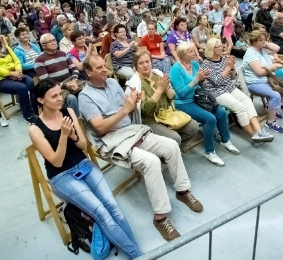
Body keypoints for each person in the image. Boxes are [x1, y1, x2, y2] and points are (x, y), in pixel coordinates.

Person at [79, 54, 203, 241]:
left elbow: (128, 105)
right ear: (88, 72)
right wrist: (125, 110)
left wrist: (135, 100)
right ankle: (160, 218)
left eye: (105, 66)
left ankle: (182, 191)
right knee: (151, 161)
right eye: (99, 68)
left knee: (170, 145)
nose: (105, 69)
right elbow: (101, 127)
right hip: (111, 140)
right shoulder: (85, 97)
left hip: (131, 130)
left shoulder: (112, 84)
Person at [28, 79, 142, 259]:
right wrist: (64, 136)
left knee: (112, 206)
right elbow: (56, 162)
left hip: (83, 164)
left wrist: (72, 135)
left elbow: (82, 145)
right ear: (41, 100)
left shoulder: (69, 112)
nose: (60, 99)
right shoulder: (35, 129)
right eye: (54, 96)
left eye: (60, 94)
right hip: (62, 176)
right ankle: (138, 255)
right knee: (101, 213)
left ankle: (136, 252)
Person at [170, 42, 238, 165]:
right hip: (184, 103)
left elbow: (203, 86)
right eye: (191, 51)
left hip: (198, 97)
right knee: (210, 119)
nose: (194, 53)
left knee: (221, 112)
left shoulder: (195, 64)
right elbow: (181, 93)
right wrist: (197, 79)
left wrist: (203, 80)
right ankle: (209, 152)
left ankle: (225, 140)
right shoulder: (175, 69)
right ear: (183, 53)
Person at [201, 38, 274, 144]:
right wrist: (228, 67)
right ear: (212, 49)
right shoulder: (206, 64)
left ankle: (259, 131)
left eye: (222, 45)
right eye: (220, 46)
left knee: (247, 101)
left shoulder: (223, 58)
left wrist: (233, 68)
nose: (222, 47)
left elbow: (233, 77)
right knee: (239, 107)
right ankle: (253, 135)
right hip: (216, 92)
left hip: (228, 87)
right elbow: (216, 82)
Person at [131, 50, 199, 146]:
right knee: (175, 138)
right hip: (151, 119)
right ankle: (169, 151)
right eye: (141, 63)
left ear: (151, 62)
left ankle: (174, 149)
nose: (145, 65)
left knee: (194, 126)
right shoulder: (135, 83)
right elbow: (145, 110)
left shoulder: (158, 74)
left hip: (167, 113)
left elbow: (172, 96)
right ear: (136, 66)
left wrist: (166, 87)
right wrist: (159, 90)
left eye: (147, 61)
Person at [0, 27, 38, 123]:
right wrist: (11, 73)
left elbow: (16, 60)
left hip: (15, 74)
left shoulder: (6, 48)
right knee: (22, 88)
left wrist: (19, 71)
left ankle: (36, 109)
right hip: (0, 79)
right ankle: (28, 116)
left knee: (31, 82)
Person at [243, 30, 283, 134]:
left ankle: (272, 109)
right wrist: (272, 66)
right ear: (254, 42)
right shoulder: (251, 53)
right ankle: (270, 122)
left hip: (267, 80)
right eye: (261, 40)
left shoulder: (262, 50)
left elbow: (277, 48)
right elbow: (259, 72)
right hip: (255, 82)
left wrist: (264, 42)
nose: (264, 41)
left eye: (264, 39)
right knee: (275, 95)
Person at [34, 33, 80, 116]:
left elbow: (74, 69)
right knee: (71, 98)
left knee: (87, 89)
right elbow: (46, 82)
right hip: (55, 89)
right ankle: (77, 123)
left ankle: (90, 118)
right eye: (50, 41)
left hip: (70, 82)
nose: (53, 42)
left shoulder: (62, 54)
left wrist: (74, 80)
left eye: (54, 40)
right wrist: (65, 85)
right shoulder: (39, 60)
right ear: (43, 45)